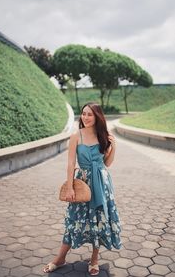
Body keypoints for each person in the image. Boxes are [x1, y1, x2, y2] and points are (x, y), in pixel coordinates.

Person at [43, 102, 122, 275]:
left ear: (97, 117)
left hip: (102, 184)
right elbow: (71, 163)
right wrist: (70, 187)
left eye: (90, 114)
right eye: (84, 114)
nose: (85, 117)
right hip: (83, 183)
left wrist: (113, 146)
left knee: (99, 220)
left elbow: (106, 164)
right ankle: (60, 257)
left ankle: (94, 259)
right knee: (74, 220)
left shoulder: (104, 136)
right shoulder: (76, 136)